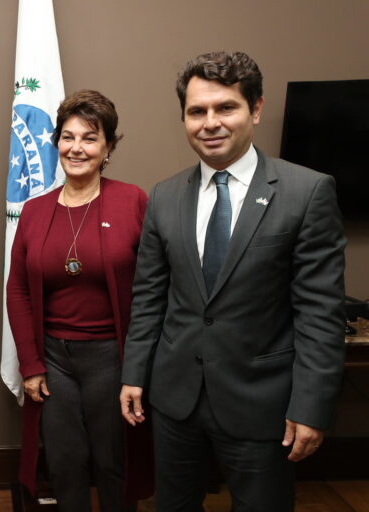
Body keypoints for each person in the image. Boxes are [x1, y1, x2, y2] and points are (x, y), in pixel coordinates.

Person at [120, 51, 346, 511]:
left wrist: (311, 406)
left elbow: (320, 315)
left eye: (226, 107)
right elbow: (148, 298)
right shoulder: (165, 196)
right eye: (196, 111)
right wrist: (134, 373)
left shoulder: (307, 192)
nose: (210, 123)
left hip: (262, 402)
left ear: (255, 109)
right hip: (174, 400)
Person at [7, 90, 152, 512]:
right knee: (65, 462)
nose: (76, 148)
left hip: (112, 358)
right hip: (54, 360)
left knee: (112, 462)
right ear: (56, 143)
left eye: (90, 138)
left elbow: (152, 290)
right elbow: (17, 291)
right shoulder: (35, 211)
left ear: (108, 147)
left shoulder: (132, 201)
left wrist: (138, 368)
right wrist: (31, 365)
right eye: (67, 137)